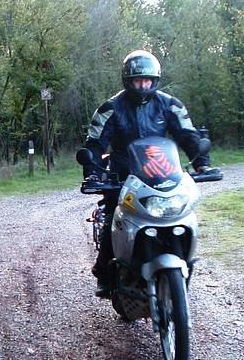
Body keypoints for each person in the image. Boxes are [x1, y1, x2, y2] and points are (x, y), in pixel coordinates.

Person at [79, 50, 212, 297]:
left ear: (155, 80)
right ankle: (105, 273)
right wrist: (93, 171)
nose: (143, 85)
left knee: (181, 215)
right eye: (138, 81)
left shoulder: (169, 104)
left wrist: (201, 161)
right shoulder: (111, 107)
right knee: (112, 221)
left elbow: (188, 135)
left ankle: (179, 261)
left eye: (147, 80)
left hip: (162, 174)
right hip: (123, 176)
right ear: (128, 81)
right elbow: (95, 142)